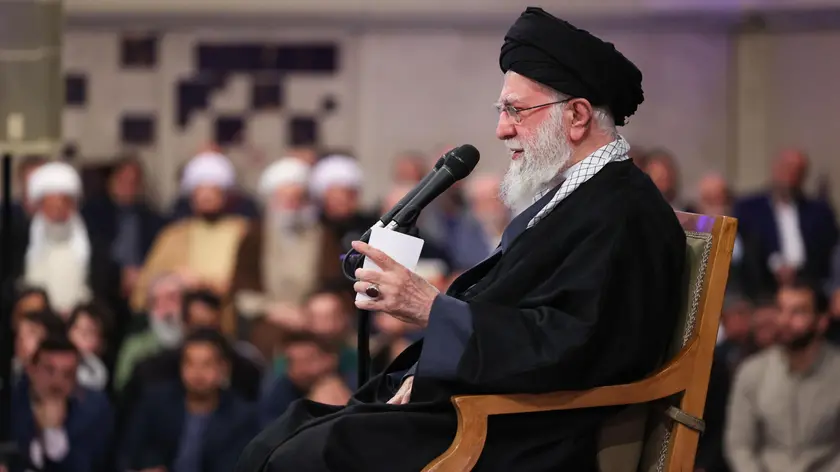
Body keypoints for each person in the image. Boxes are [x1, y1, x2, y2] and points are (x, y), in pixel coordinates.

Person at [237, 7, 686, 472]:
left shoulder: (624, 213)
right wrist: (426, 366)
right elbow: (518, 313)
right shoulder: (575, 196)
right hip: (483, 398)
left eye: (516, 110)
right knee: (287, 429)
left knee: (303, 456)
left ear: (577, 115)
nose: (502, 129)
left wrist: (432, 309)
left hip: (523, 430)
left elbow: (573, 346)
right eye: (502, 111)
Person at [724, 278, 840, 472]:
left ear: (821, 321)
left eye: (798, 312)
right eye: (781, 310)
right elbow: (739, 445)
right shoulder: (752, 371)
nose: (785, 320)